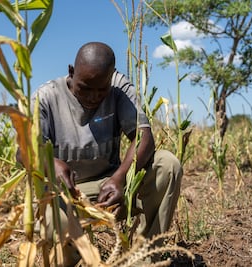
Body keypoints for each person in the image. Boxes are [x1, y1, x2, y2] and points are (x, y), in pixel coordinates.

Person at [30, 41, 182, 265]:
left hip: (110, 185)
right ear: (71, 71)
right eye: (85, 88)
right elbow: (23, 153)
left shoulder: (119, 87)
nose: (93, 97)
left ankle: (143, 259)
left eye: (101, 90)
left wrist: (120, 178)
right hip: (65, 193)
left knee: (167, 165)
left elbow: (144, 139)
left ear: (111, 77)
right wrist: (50, 163)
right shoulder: (45, 97)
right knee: (58, 231)